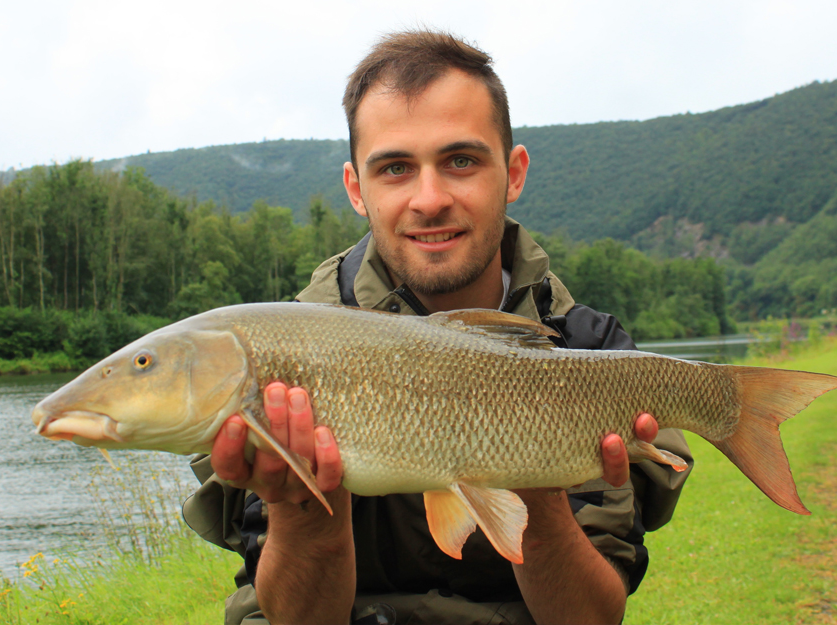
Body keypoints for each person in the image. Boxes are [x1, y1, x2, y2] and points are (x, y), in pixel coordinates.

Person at [182, 29, 692, 625]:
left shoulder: (586, 352)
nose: (429, 199)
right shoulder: (285, 357)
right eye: (396, 168)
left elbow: (591, 618)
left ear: (514, 172)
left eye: (460, 161)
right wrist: (300, 512)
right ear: (356, 190)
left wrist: (537, 486)